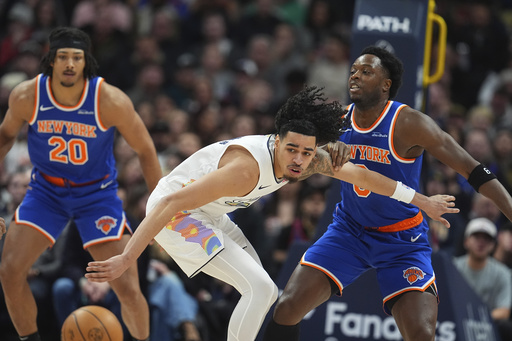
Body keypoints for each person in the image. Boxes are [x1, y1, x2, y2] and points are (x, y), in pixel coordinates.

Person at [85, 85, 458, 341]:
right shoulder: (245, 169)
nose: (298, 160)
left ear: (316, 151)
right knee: (261, 288)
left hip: (212, 214)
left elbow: (363, 175)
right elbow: (168, 202)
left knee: (265, 292)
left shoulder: (310, 160)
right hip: (176, 212)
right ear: (277, 141)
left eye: (306, 153)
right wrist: (126, 258)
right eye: (291, 149)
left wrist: (422, 201)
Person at [263, 46, 512, 341]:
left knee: (420, 333)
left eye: (366, 71)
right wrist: (325, 150)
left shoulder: (409, 124)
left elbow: (474, 170)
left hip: (402, 241)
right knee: (287, 307)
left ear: (386, 84)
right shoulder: (337, 121)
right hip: (349, 231)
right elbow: (298, 166)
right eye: (353, 71)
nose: (355, 76)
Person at [0, 27, 162, 341]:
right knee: (9, 270)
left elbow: (145, 150)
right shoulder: (27, 95)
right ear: (51, 61)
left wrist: (159, 207)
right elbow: (5, 137)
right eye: (63, 57)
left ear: (86, 62)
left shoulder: (109, 100)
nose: (70, 64)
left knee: (127, 286)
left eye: (77, 58)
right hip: (46, 191)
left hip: (95, 195)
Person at [453, 217, 512, 340]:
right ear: (466, 241)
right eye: (476, 237)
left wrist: (474, 319)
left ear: (493, 245)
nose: (481, 242)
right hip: (454, 321)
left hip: (487, 326)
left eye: (486, 238)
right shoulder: (453, 267)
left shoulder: (503, 273)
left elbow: (504, 311)